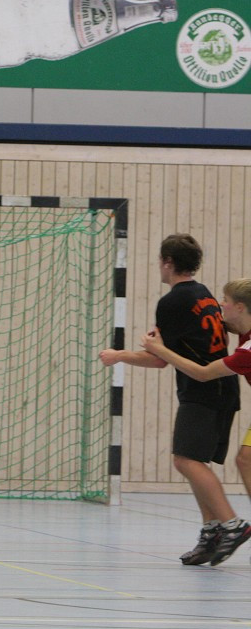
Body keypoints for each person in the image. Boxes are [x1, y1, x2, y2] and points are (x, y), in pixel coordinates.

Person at [100, 234, 244, 566]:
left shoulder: (173, 302)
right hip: (222, 388)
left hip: (204, 390)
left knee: (185, 460)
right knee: (194, 461)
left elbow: (159, 358)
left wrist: (119, 354)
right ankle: (212, 532)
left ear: (167, 262)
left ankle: (232, 524)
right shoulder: (204, 293)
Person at [140, 276, 251, 565]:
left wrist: (159, 348)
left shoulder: (248, 350)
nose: (220, 306)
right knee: (243, 460)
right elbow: (218, 323)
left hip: (209, 391)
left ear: (240, 307)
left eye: (225, 303)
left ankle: (232, 525)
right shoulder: (242, 328)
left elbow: (202, 373)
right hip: (224, 397)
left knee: (194, 460)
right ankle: (217, 528)